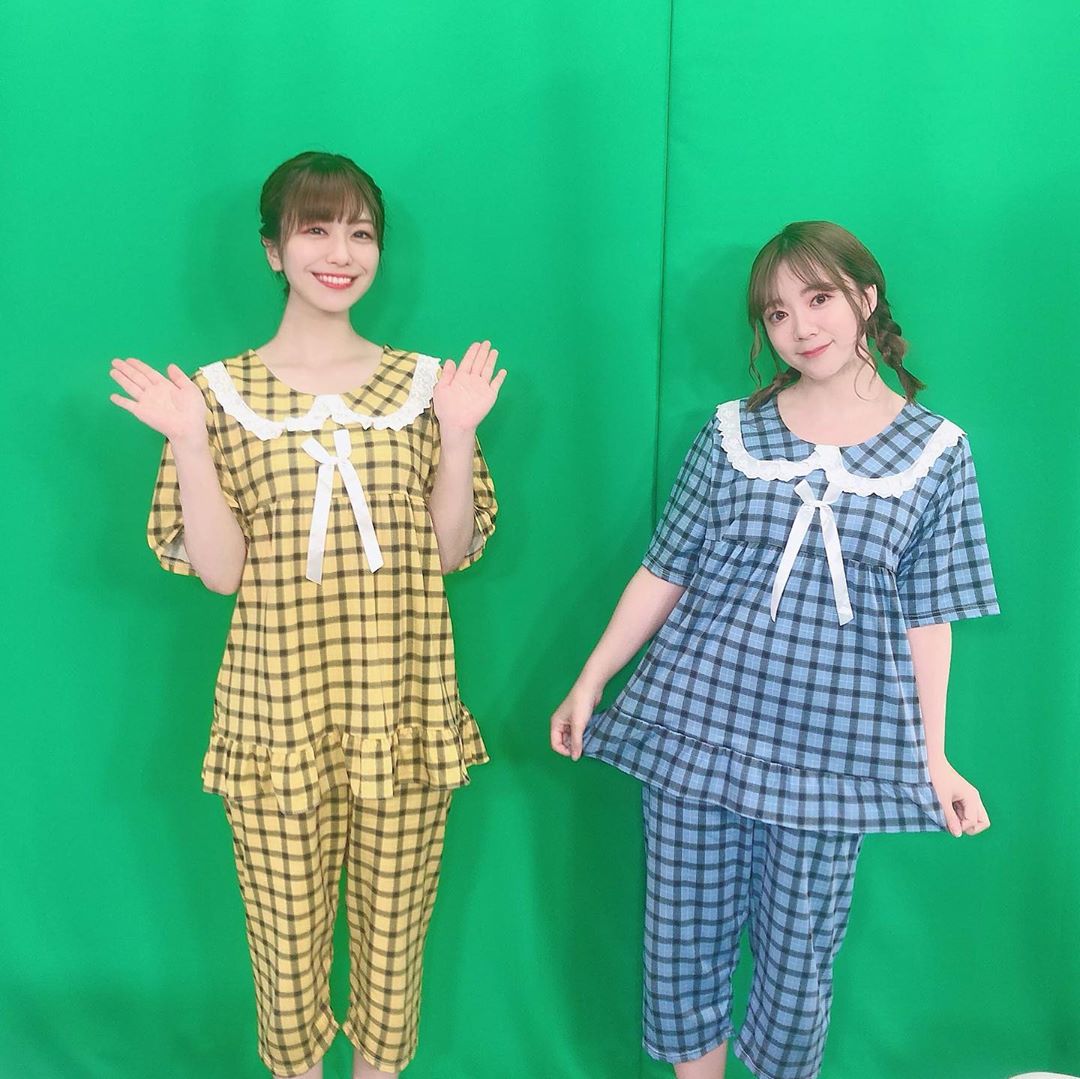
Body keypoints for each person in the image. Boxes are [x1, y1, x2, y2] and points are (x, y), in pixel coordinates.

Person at [550, 220, 998, 1079]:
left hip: (834, 750)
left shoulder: (938, 454)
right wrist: (591, 679)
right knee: (682, 940)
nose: (800, 325)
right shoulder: (730, 432)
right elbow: (664, 568)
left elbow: (929, 617)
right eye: (777, 312)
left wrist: (934, 756)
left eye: (818, 297)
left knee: (800, 962)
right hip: (696, 728)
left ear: (867, 296)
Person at [109, 150, 505, 1079]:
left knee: (396, 938)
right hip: (277, 718)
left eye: (360, 232)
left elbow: (449, 550)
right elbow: (220, 573)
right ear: (272, 249)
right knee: (284, 953)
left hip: (403, 713)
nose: (341, 252)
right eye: (316, 229)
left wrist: (459, 434)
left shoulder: (427, 386)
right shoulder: (214, 396)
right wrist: (189, 442)